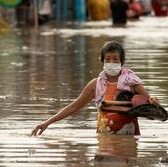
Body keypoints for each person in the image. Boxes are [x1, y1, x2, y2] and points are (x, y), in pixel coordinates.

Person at [31, 41, 160, 136]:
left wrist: (154, 101)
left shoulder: (132, 83)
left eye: (115, 59)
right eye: (108, 59)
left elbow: (150, 105)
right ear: (103, 61)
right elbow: (74, 106)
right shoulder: (95, 85)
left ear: (122, 62)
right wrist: (47, 122)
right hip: (104, 137)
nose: (111, 62)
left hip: (129, 137)